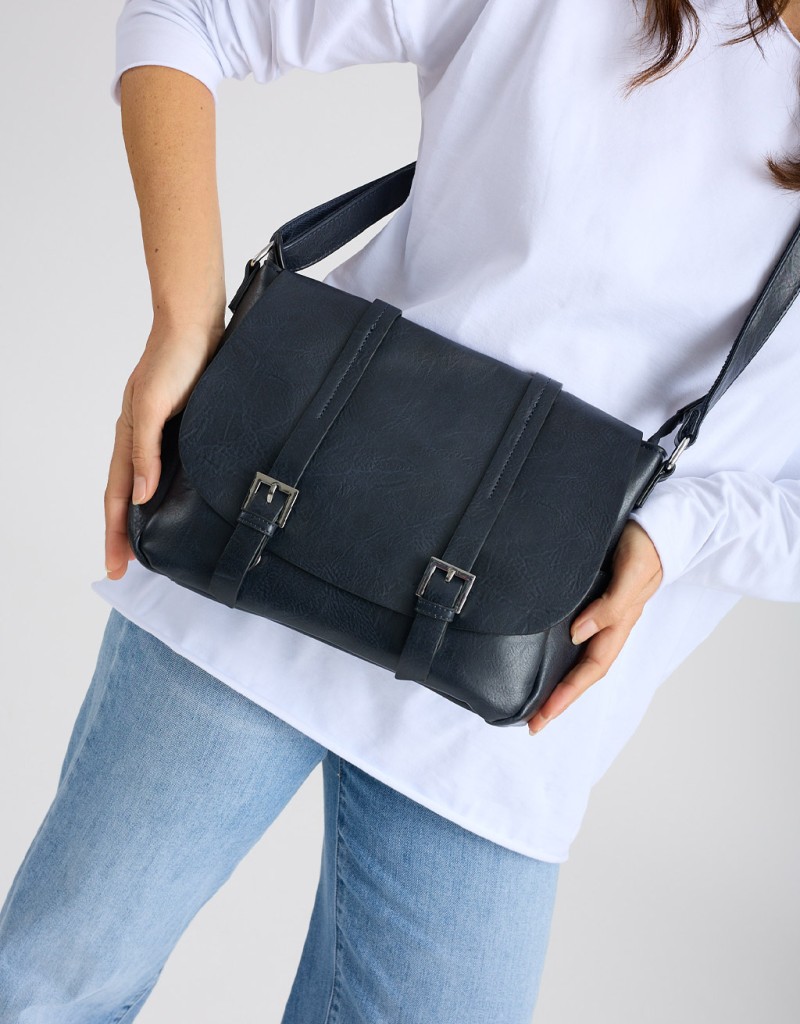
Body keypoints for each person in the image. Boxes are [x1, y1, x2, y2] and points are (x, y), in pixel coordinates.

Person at [1, 1, 799, 1020]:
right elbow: (188, 15)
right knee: (51, 991)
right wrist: (185, 320)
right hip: (260, 551)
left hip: (515, 692)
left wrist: (679, 530)